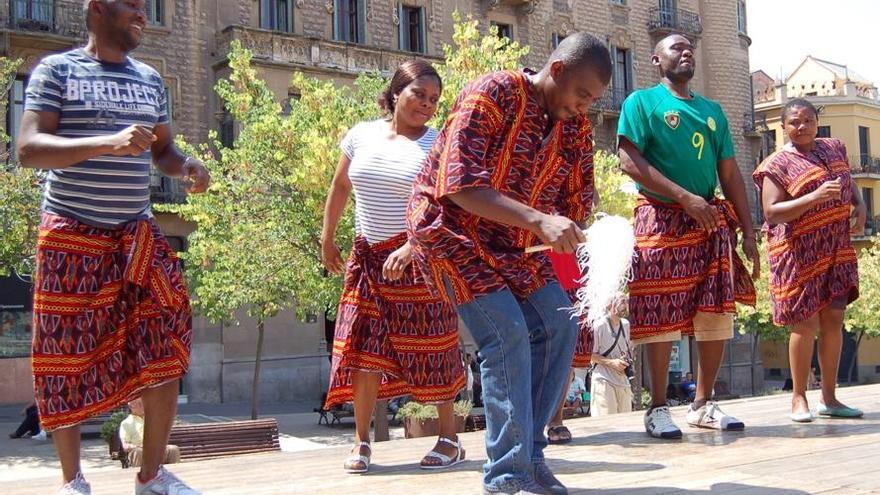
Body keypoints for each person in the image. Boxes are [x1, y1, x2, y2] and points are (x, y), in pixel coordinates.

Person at [17, 1, 210, 493]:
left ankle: (151, 475)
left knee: (166, 337)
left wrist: (185, 166)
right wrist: (108, 142)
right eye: (134, 7)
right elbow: (29, 148)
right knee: (63, 355)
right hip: (70, 232)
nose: (143, 15)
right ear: (98, 8)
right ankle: (72, 480)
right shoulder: (56, 70)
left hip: (135, 231)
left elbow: (162, 150)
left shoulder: (149, 78)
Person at [407, 32, 612, 495]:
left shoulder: (576, 127)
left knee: (560, 324)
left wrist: (584, 230)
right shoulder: (493, 92)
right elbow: (459, 184)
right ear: (556, 70)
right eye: (582, 95)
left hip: (516, 243)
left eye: (593, 100)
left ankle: (530, 457)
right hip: (450, 232)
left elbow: (576, 200)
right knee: (507, 334)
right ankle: (506, 478)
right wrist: (541, 219)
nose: (585, 107)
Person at [321, 59, 466, 474]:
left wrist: (412, 245)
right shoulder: (360, 134)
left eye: (434, 99)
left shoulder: (438, 143)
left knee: (434, 346)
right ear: (397, 91)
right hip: (366, 258)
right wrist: (327, 238)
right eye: (418, 93)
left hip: (418, 261)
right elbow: (340, 186)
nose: (426, 104)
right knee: (363, 349)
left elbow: (448, 208)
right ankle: (362, 443)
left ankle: (449, 439)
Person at [618, 33, 759, 440]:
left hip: (711, 221)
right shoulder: (641, 103)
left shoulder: (713, 111)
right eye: (675, 48)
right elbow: (629, 160)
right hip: (660, 218)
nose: (686, 52)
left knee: (716, 311)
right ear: (656, 60)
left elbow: (730, 173)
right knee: (659, 310)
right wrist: (684, 198)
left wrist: (749, 233)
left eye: (689, 48)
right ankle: (658, 407)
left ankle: (702, 404)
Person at [753, 98, 863, 422]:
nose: (801, 127)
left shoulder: (835, 148)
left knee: (834, 320)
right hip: (798, 252)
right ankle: (798, 398)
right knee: (804, 323)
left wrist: (860, 203)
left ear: (816, 121)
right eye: (794, 123)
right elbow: (771, 211)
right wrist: (814, 197)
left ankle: (829, 397)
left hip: (836, 246)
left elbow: (848, 179)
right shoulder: (776, 165)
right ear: (783, 127)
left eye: (807, 121)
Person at [589, 294, 634, 416]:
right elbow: (590, 355)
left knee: (625, 423)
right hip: (603, 379)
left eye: (626, 302)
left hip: (622, 379)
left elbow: (629, 349)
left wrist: (625, 361)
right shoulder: (599, 325)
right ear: (610, 304)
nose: (625, 306)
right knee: (607, 421)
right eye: (622, 302)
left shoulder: (626, 325)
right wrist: (611, 363)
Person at [119, 399, 181, 467]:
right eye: (138, 403)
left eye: (142, 402)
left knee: (173, 449)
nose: (142, 405)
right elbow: (125, 446)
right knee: (139, 452)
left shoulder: (153, 418)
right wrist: (137, 446)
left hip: (157, 450)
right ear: (130, 406)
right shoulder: (126, 423)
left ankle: (174, 473)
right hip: (140, 449)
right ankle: (140, 476)